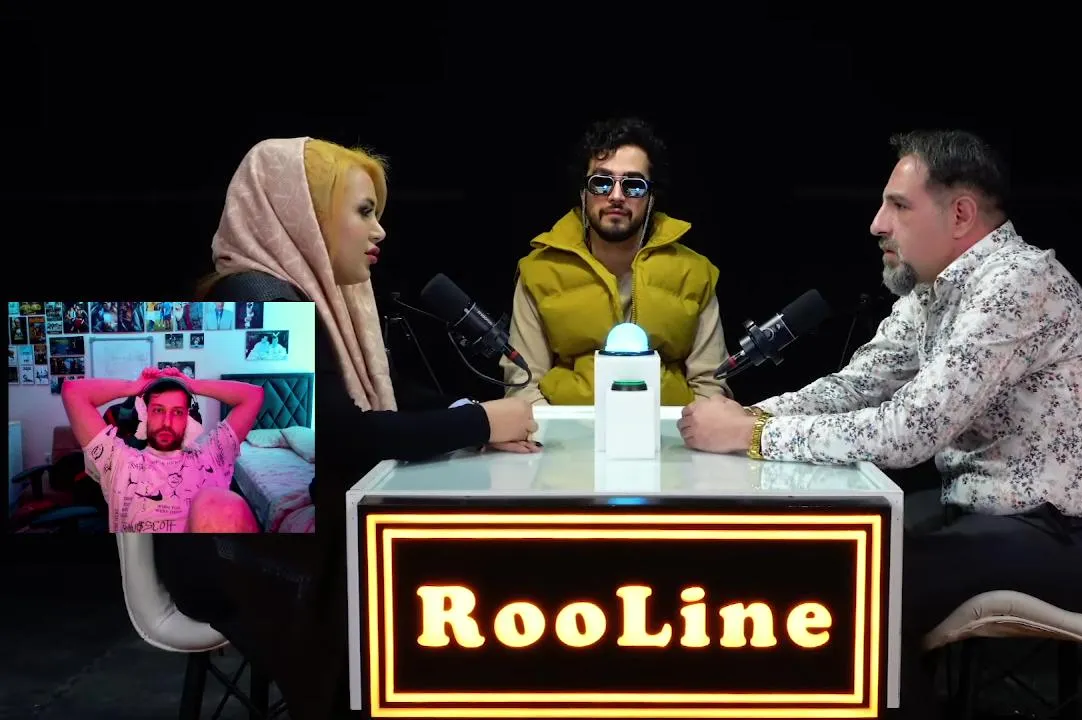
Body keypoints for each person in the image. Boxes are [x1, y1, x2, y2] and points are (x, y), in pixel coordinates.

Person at [675, 130, 1082, 718]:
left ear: (960, 215)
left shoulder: (1017, 283)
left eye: (898, 206)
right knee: (822, 550)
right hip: (995, 517)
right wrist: (751, 415)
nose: (877, 224)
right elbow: (857, 386)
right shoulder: (932, 291)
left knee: (858, 582)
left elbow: (909, 432)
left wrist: (752, 437)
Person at [154, 137, 540, 719]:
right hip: (231, 559)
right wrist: (478, 421)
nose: (379, 231)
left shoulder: (314, 297)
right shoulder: (256, 297)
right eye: (363, 212)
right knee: (423, 586)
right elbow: (343, 437)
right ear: (303, 214)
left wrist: (474, 416)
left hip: (281, 541)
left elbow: (389, 395)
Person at [500, 117, 731, 406]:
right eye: (601, 182)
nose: (617, 196)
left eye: (633, 185)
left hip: (671, 431)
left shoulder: (694, 273)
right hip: (564, 432)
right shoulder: (539, 272)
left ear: (651, 196)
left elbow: (710, 387)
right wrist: (557, 432)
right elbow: (523, 384)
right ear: (583, 193)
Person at [62, 366, 264, 533]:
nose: (167, 422)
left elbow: (253, 396)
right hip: (142, 564)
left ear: (187, 418)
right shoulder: (118, 461)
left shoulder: (213, 457)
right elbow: (73, 392)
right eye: (158, 410)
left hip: (208, 562)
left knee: (221, 505)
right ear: (146, 413)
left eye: (177, 412)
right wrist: (134, 387)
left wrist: (192, 385)